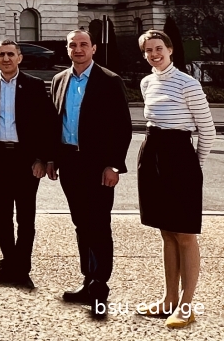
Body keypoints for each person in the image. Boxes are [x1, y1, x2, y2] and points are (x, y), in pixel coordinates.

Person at [46, 30, 132, 319]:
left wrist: (114, 165)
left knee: (99, 224)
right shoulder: (60, 80)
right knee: (81, 224)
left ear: (94, 48)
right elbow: (54, 122)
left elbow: (122, 127)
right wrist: (52, 158)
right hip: (70, 162)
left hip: (98, 165)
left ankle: (100, 285)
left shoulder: (109, 80)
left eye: (84, 44)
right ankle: (87, 280)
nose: (78, 49)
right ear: (67, 49)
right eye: (73, 45)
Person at [135, 30, 215, 329]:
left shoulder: (188, 83)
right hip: (152, 153)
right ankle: (169, 299)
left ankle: (186, 305)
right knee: (166, 232)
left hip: (180, 157)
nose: (154, 54)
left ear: (170, 50)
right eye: (148, 50)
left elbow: (207, 130)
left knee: (184, 234)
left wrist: (194, 165)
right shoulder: (146, 83)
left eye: (159, 48)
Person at [0, 39, 56, 289]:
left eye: (11, 54)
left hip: (26, 159)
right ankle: (8, 263)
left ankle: (22, 268)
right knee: (2, 216)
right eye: (1, 54)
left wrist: (42, 159)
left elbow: (46, 123)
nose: (6, 58)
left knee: (25, 217)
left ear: (19, 58)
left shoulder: (34, 85)